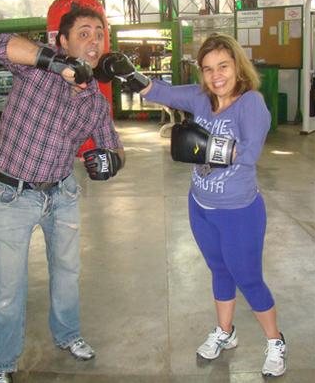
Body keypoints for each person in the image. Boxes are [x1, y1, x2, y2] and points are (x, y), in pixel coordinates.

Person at [103, 33, 286, 376]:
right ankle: (225, 332)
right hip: (200, 205)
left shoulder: (251, 103)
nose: (216, 76)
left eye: (223, 67)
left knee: (247, 277)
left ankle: (275, 340)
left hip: (239, 212)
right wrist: (128, 73)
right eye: (207, 69)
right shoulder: (201, 99)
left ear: (237, 67)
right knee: (219, 270)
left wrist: (207, 146)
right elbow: (158, 91)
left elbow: (249, 155)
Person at [0, 7, 125, 383]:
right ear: (62, 41)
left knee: (67, 274)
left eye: (99, 33)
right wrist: (54, 63)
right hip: (14, 195)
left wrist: (111, 161)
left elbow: (114, 146)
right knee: (7, 288)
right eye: (84, 33)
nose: (94, 40)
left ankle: (67, 335)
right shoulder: (34, 71)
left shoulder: (95, 98)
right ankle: (1, 362)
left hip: (62, 193)